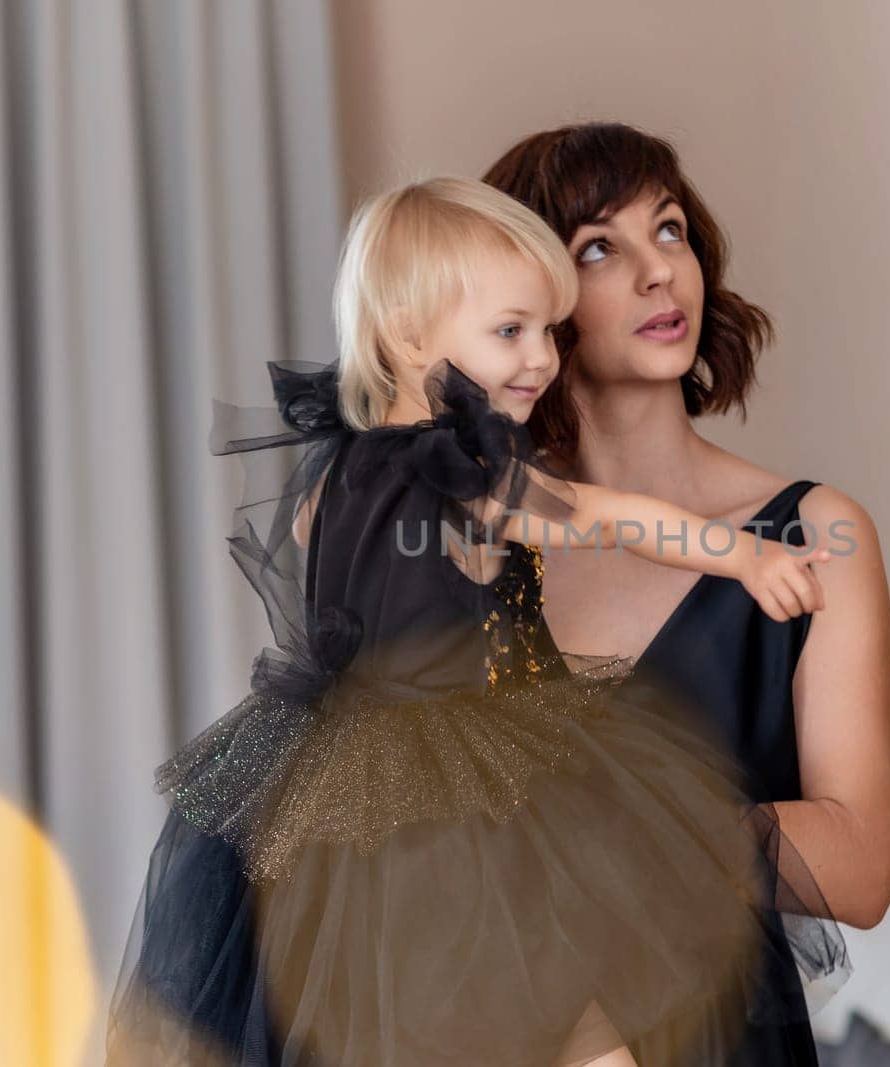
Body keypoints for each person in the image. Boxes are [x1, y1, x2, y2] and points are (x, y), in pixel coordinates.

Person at [105, 176, 850, 1066]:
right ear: (407, 336)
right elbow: (603, 512)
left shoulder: (333, 474)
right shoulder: (467, 473)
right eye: (510, 332)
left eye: (548, 330)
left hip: (331, 802)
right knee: (586, 1009)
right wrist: (743, 554)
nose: (541, 358)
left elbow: (330, 614)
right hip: (450, 785)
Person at [485, 124, 890, 1066]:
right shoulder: (489, 537)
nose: (656, 272)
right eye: (600, 248)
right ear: (531, 301)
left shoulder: (819, 532)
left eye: (668, 230)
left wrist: (596, 819)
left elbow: (863, 867)